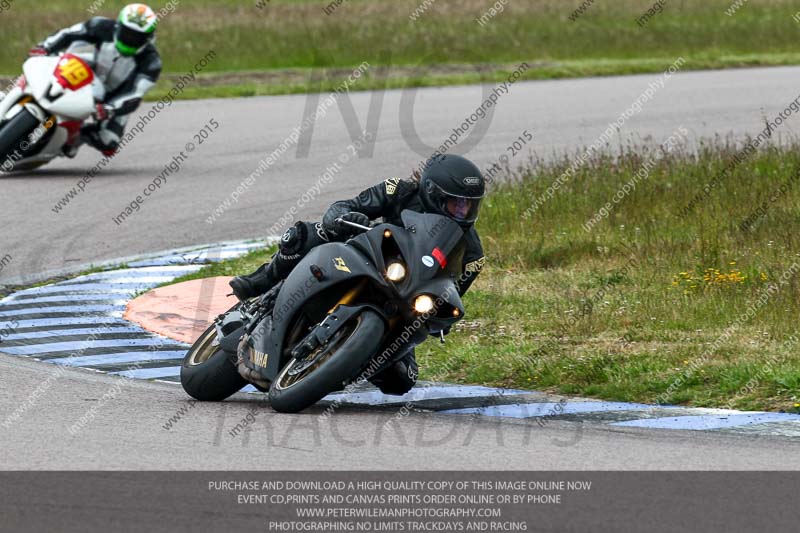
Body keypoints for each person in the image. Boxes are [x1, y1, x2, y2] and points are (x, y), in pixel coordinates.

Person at [230, 154, 487, 395]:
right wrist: (343, 216)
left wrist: (439, 316)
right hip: (364, 258)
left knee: (402, 380)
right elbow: (344, 206)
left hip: (405, 297)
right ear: (432, 192)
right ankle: (261, 280)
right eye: (456, 203)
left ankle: (347, 360)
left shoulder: (473, 253)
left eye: (469, 205)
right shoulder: (398, 190)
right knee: (310, 233)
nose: (463, 211)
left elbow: (451, 290)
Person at [30, 4, 162, 157]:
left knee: (109, 144)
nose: (130, 40)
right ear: (118, 26)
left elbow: (134, 95)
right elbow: (69, 34)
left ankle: (76, 137)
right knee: (44, 62)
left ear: (148, 38)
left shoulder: (151, 62)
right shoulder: (102, 26)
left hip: (113, 98)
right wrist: (45, 47)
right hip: (88, 72)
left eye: (137, 37)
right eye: (127, 33)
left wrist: (109, 108)